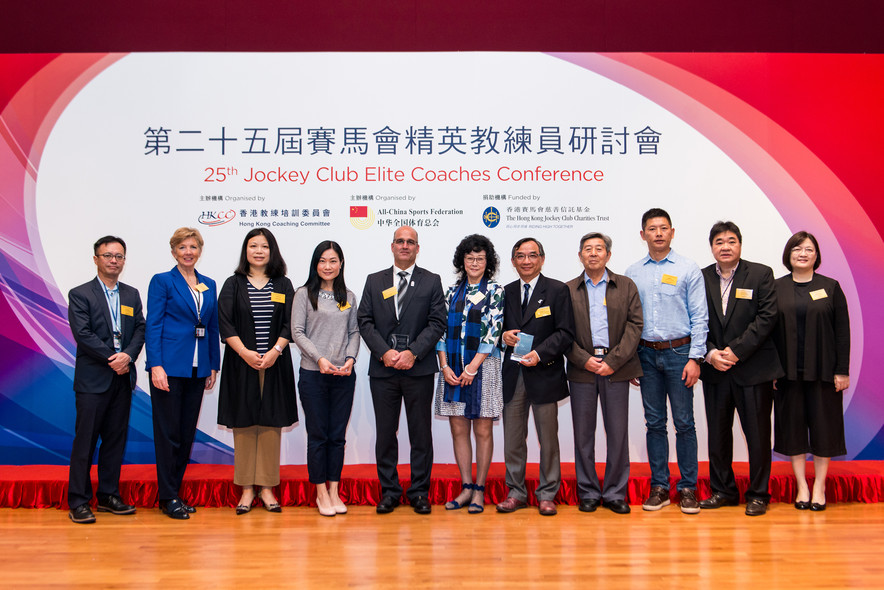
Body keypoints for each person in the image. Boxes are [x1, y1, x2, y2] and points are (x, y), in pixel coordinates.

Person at [357, 226, 446, 514]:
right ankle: (390, 491)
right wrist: (384, 352)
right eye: (400, 241)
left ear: (418, 248)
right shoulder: (374, 281)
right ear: (392, 246)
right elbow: (365, 321)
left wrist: (413, 352)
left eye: (410, 242)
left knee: (421, 434)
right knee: (385, 433)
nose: (405, 246)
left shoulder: (432, 281)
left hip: (417, 370)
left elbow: (437, 322)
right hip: (383, 371)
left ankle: (419, 492)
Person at [625, 208, 708, 514]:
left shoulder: (688, 268)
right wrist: (630, 359)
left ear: (672, 232)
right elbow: (629, 320)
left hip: (679, 355)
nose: (658, 233)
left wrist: (695, 357)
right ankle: (659, 486)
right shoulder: (633, 272)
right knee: (655, 423)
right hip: (645, 355)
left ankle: (688, 488)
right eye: (652, 228)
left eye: (663, 228)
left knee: (685, 424)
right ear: (643, 234)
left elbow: (700, 317)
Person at [698, 222, 782, 516]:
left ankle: (759, 494)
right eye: (719, 241)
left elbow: (767, 317)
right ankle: (723, 491)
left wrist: (735, 351)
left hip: (753, 369)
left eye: (731, 241)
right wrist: (709, 353)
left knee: (757, 435)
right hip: (715, 370)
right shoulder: (700, 277)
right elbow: (695, 320)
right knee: (718, 435)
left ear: (740, 245)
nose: (725, 246)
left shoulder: (760, 274)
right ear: (712, 247)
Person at [217, 228, 297, 515]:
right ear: (245, 250)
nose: (259, 251)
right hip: (242, 364)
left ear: (272, 251)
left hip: (275, 364)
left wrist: (275, 351)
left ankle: (266, 487)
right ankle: (246, 489)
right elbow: (225, 323)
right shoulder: (233, 284)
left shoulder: (283, 285)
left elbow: (291, 323)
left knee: (271, 426)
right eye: (253, 246)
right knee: (244, 425)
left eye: (264, 246)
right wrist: (245, 353)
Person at [67, 236, 145, 524]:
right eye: (108, 255)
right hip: (93, 380)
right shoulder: (80, 294)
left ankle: (109, 495)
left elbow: (140, 328)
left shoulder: (131, 294)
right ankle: (78, 501)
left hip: (122, 379)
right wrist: (114, 357)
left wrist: (128, 356)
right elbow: (82, 333)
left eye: (119, 256)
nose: (114, 260)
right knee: (85, 442)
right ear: (96, 258)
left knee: (115, 440)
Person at [145, 227, 220, 520]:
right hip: (169, 368)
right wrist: (156, 366)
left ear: (199, 250)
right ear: (174, 251)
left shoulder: (209, 284)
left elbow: (211, 327)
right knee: (168, 434)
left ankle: (174, 493)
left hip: (197, 368)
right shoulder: (163, 281)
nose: (188, 252)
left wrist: (213, 364)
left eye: (193, 247)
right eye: (182, 247)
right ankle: (167, 496)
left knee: (186, 434)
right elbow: (153, 325)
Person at [496, 237, 574, 516]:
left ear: (541, 259)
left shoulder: (557, 290)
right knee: (513, 439)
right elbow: (496, 331)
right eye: (520, 256)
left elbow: (565, 333)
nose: (526, 261)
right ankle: (516, 492)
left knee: (548, 439)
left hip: (544, 373)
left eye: (532, 255)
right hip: (513, 375)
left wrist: (539, 354)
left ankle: (547, 493)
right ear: (513, 260)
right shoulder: (504, 292)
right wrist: (503, 336)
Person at [565, 232, 642, 515]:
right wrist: (584, 359)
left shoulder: (626, 285)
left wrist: (613, 361)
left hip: (616, 369)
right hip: (582, 369)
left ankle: (614, 493)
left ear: (608, 255)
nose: (594, 253)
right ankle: (587, 491)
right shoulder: (569, 289)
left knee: (617, 433)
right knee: (583, 434)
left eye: (599, 249)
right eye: (588, 249)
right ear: (580, 255)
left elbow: (635, 326)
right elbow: (563, 333)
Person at [773, 231, 850, 511]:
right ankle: (801, 486)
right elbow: (768, 333)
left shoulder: (831, 287)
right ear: (788, 254)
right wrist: (772, 370)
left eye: (809, 249)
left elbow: (842, 332)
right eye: (797, 248)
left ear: (816, 255)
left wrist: (842, 371)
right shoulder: (776, 287)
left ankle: (819, 485)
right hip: (786, 375)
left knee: (823, 429)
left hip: (824, 374)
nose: (803, 253)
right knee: (792, 430)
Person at [435, 234, 504, 514]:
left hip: (483, 366)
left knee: (483, 430)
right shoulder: (451, 292)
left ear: (487, 262)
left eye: (480, 258)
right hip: (451, 367)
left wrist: (472, 367)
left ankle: (479, 489)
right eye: (469, 257)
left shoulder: (496, 291)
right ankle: (465, 487)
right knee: (458, 428)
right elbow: (439, 332)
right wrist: (445, 366)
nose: (474, 262)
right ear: (462, 261)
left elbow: (493, 332)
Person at [292, 240, 360, 517]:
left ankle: (334, 490)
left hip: (343, 375)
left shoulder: (349, 296)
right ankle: (320, 492)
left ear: (341, 264)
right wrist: (318, 358)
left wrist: (350, 360)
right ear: (315, 264)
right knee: (318, 436)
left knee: (337, 437)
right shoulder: (304, 294)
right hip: (313, 375)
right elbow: (297, 332)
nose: (327, 266)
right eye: (322, 261)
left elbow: (354, 332)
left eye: (333, 261)